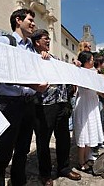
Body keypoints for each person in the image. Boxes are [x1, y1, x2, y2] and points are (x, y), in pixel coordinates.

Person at [0, 8, 48, 186]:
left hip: (28, 104)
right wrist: (32, 86)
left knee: (23, 148)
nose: (33, 24)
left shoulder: (32, 48)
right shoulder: (5, 41)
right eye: (30, 20)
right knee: (4, 149)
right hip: (9, 104)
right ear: (18, 20)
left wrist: (44, 59)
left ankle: (18, 181)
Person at [31, 29, 81, 186]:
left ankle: (63, 168)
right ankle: (45, 174)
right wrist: (40, 60)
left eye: (48, 38)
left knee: (64, 138)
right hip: (44, 106)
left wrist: (74, 66)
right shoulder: (31, 57)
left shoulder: (55, 58)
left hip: (61, 104)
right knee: (43, 141)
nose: (48, 41)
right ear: (37, 41)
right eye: (45, 39)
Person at [73, 51, 104, 174]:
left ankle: (87, 158)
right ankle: (81, 162)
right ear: (85, 61)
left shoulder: (95, 72)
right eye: (91, 59)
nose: (93, 61)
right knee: (83, 133)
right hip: (84, 104)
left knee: (90, 133)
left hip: (92, 103)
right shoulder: (79, 71)